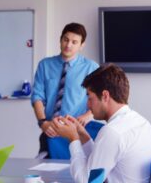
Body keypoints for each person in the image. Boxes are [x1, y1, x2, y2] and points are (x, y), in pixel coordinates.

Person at [31, 22, 100, 158]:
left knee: (78, 170)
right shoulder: (45, 65)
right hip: (52, 130)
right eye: (66, 40)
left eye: (74, 42)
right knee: (45, 169)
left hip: (79, 131)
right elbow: (37, 97)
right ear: (60, 40)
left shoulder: (91, 67)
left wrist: (88, 115)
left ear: (81, 45)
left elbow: (99, 98)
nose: (68, 45)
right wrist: (43, 122)